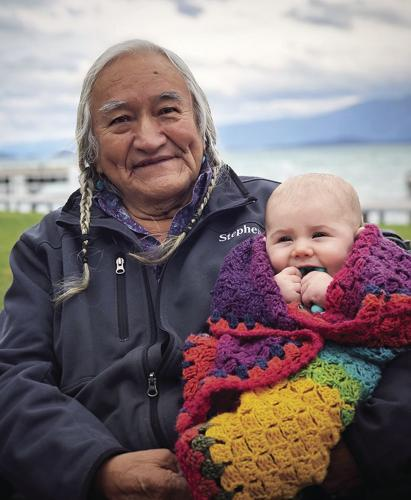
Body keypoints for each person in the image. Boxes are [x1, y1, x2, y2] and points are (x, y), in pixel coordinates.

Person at [0, 40, 409, 500]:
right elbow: (12, 379)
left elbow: (399, 308)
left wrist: (364, 451)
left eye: (169, 111)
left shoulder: (285, 218)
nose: (151, 137)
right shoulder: (48, 249)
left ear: (201, 123)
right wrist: (94, 468)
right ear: (91, 149)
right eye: (120, 120)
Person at [176, 174, 411, 499]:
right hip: (278, 365)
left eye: (319, 235)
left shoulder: (377, 266)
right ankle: (231, 444)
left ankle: (236, 466)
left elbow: (398, 313)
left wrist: (338, 294)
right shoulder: (259, 273)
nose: (301, 249)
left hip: (342, 366)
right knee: (252, 399)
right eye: (284, 239)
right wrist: (271, 297)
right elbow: (231, 310)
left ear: (356, 240)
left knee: (305, 413)